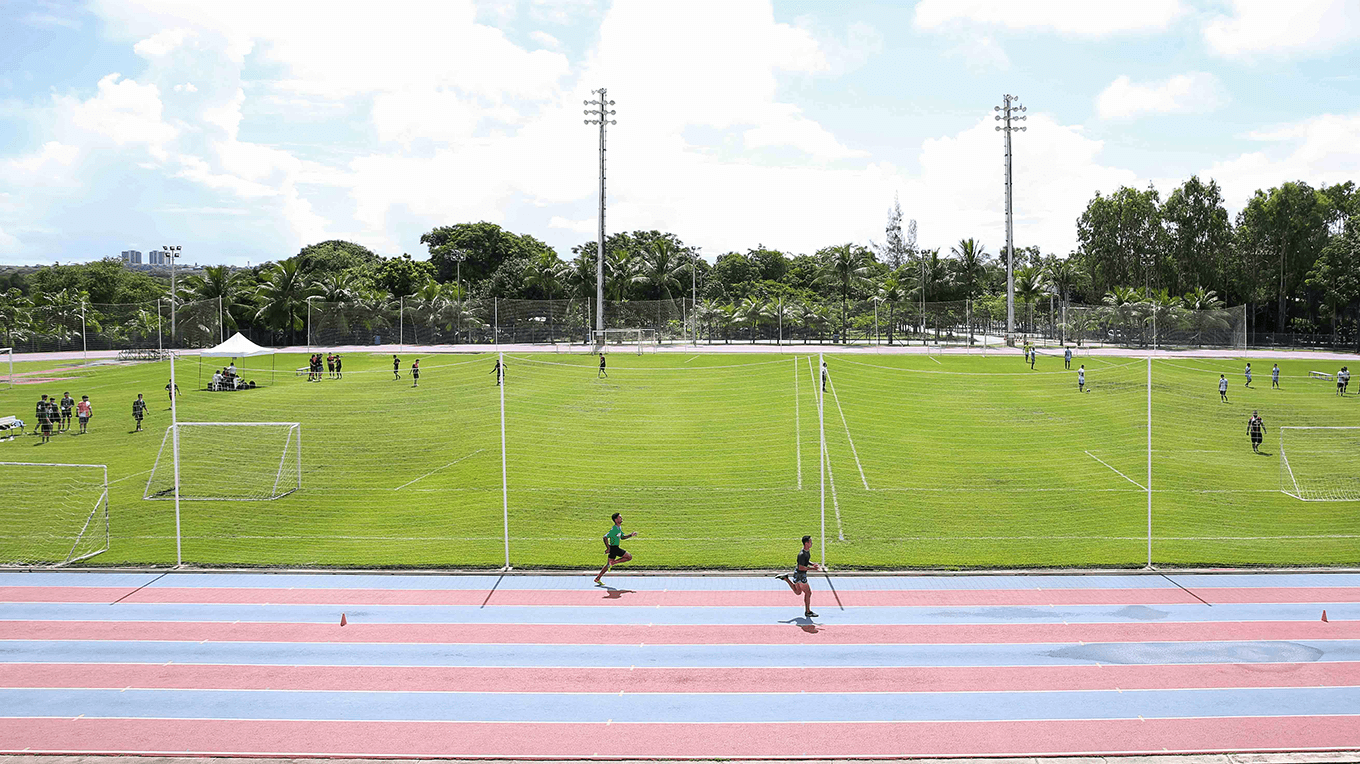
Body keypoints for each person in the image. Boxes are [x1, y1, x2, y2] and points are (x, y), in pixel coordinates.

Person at [776, 535, 823, 619]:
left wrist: (813, 564)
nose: (811, 543)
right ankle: (808, 612)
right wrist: (813, 569)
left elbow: (806, 561)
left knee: (798, 592)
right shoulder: (801, 554)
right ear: (806, 543)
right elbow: (801, 567)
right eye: (810, 542)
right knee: (808, 593)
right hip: (801, 575)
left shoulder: (806, 551)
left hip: (798, 574)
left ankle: (786, 578)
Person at [594, 512, 638, 585]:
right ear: (616, 519)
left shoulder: (619, 528)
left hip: (613, 548)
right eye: (620, 517)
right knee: (629, 557)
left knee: (608, 565)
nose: (621, 518)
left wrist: (631, 535)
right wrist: (608, 548)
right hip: (614, 548)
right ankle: (614, 562)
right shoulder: (614, 529)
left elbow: (622, 537)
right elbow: (605, 537)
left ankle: (597, 578)